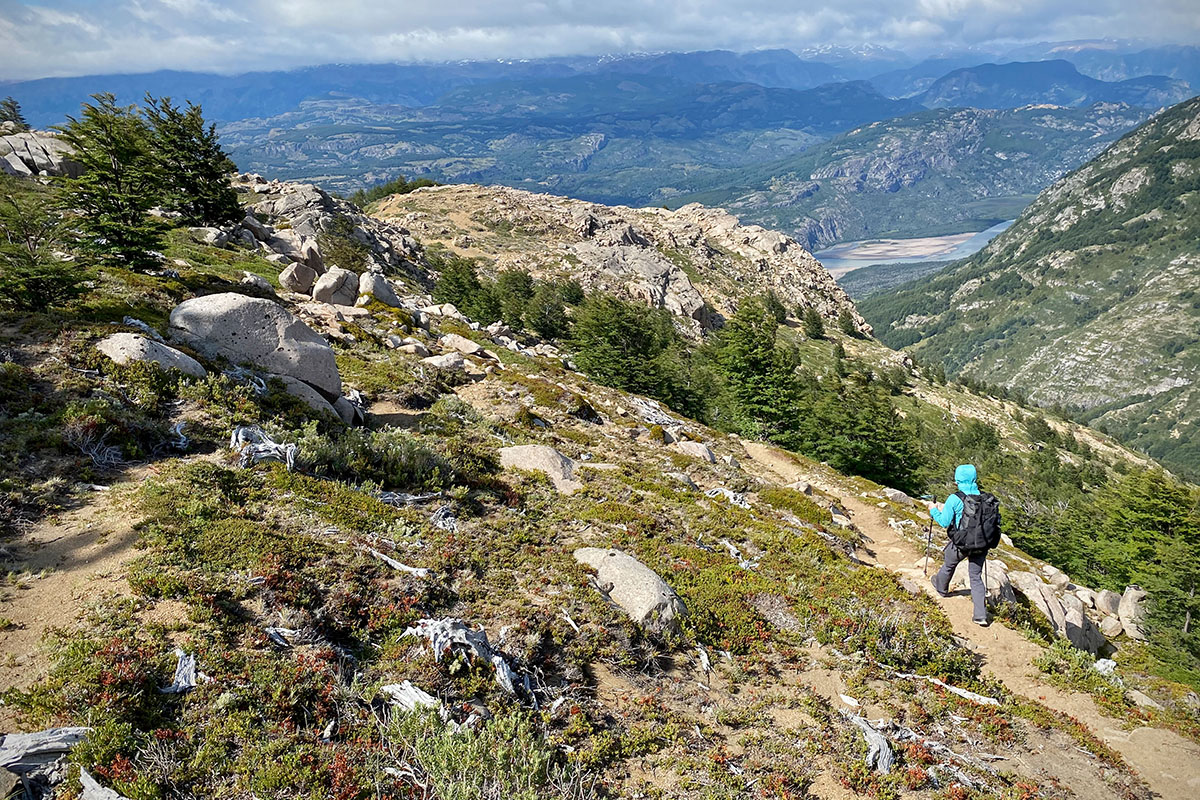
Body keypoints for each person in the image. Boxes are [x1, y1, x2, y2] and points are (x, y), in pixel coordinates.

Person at [927, 464, 999, 626]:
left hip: (962, 543)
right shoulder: (985, 497)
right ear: (974, 478)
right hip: (981, 543)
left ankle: (941, 589)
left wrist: (933, 510)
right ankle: (980, 615)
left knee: (948, 564)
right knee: (975, 576)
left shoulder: (955, 498)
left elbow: (944, 522)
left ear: (958, 479)